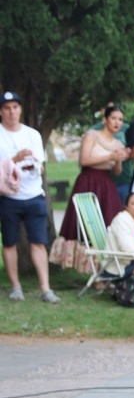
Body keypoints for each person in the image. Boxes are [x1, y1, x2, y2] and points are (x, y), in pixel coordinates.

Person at [52, 105, 130, 273]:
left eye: (120, 119)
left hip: (107, 183)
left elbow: (117, 171)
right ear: (105, 119)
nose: (117, 122)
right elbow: (84, 160)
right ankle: (86, 267)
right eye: (114, 118)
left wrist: (118, 160)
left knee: (109, 222)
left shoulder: (118, 143)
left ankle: (108, 268)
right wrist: (110, 156)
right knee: (86, 224)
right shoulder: (92, 135)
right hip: (88, 181)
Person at [0, 91, 60, 303]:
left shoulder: (32, 134)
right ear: (1, 112)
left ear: (20, 109)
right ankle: (16, 287)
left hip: (34, 194)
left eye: (15, 107)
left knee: (38, 242)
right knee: (9, 242)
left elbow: (40, 164)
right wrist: (14, 160)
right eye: (7, 108)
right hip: (8, 197)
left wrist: (30, 163)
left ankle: (45, 288)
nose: (11, 112)